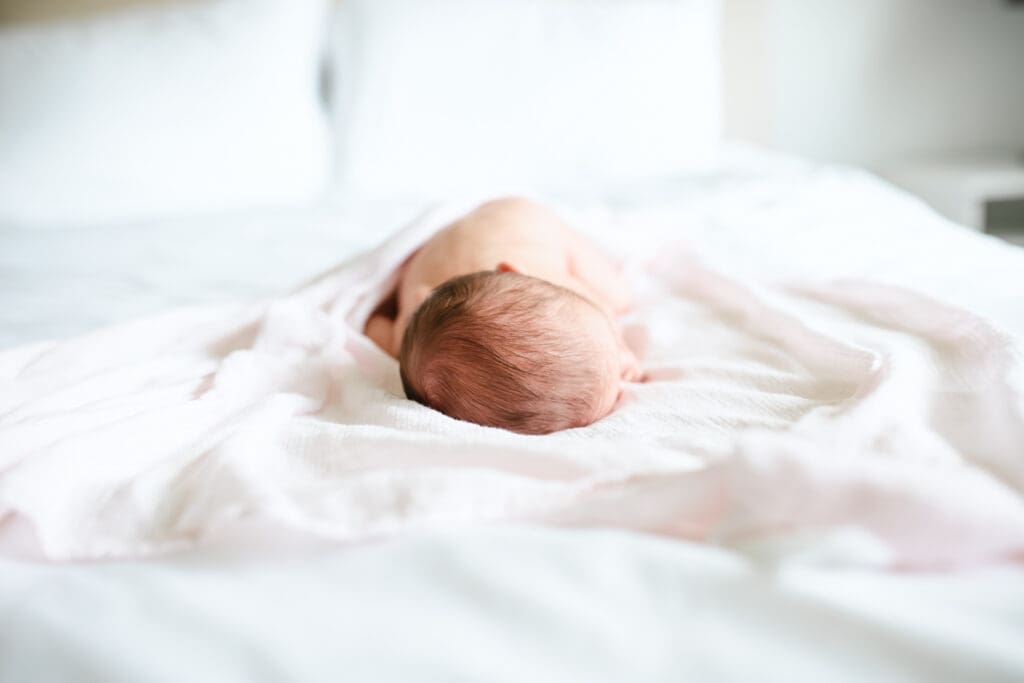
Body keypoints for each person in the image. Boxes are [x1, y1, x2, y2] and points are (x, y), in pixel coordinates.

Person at [365, 197, 641, 434]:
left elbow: (373, 324)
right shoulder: (408, 333)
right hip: (485, 232)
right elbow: (377, 327)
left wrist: (617, 353)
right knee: (618, 300)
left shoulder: (560, 292)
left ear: (512, 270)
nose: (621, 376)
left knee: (617, 297)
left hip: (515, 218)